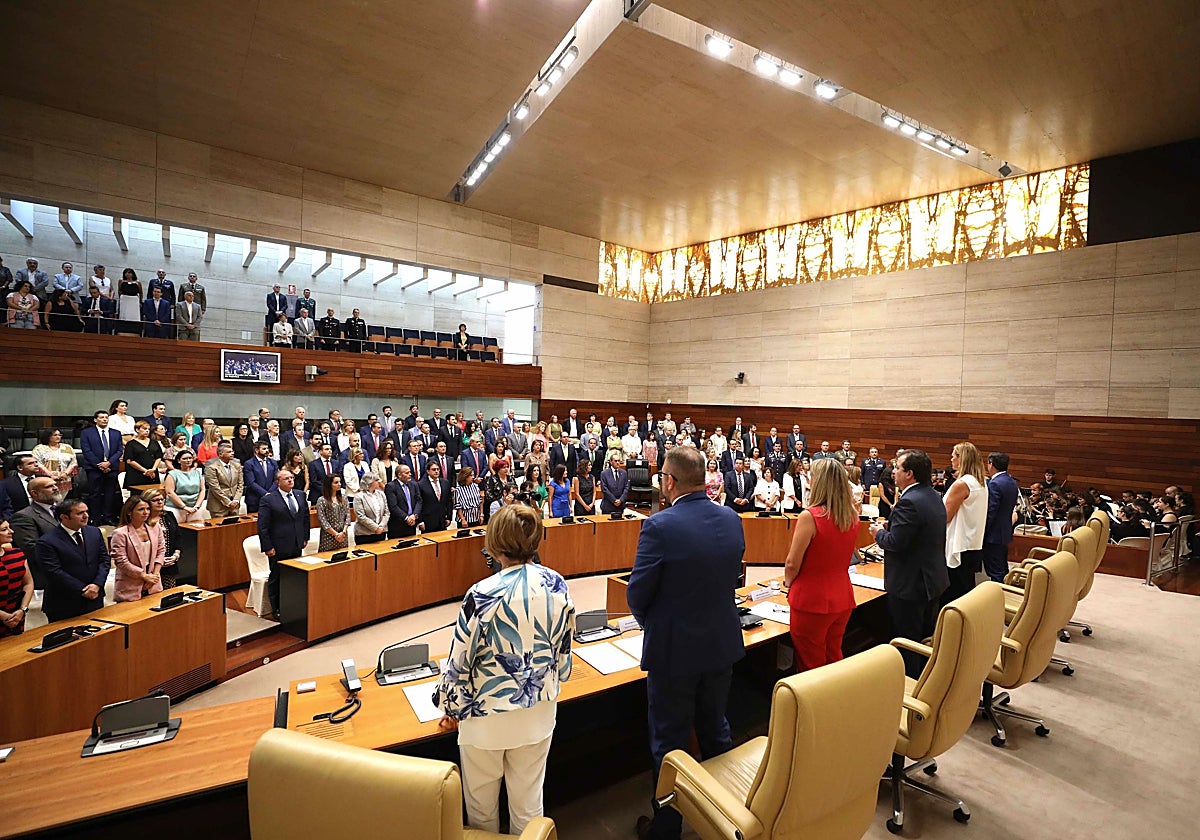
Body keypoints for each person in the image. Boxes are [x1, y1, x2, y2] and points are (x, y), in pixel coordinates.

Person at [433, 503, 574, 834]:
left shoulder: (481, 594)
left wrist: (449, 707)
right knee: (528, 805)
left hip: (486, 723)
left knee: (481, 811)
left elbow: (459, 665)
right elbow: (563, 656)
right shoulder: (557, 584)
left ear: (493, 544)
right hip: (538, 714)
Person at [626, 447, 744, 840]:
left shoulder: (659, 526)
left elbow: (637, 595)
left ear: (670, 481)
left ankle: (666, 829)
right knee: (716, 732)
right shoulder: (731, 519)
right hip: (721, 643)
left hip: (674, 652)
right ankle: (725, 818)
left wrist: (655, 625)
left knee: (669, 743)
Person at [869, 450, 949, 679]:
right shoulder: (933, 495)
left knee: (907, 642)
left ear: (910, 474)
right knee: (924, 639)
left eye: (897, 468)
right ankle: (925, 682)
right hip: (931, 580)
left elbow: (895, 543)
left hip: (911, 585)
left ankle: (910, 689)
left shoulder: (909, 502)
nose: (893, 472)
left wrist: (878, 533)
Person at [782, 459, 859, 672]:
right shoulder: (851, 515)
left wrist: (788, 583)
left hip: (811, 600)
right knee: (834, 655)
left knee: (810, 663)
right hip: (842, 596)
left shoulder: (811, 516)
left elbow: (791, 563)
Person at [37, 499, 110, 622]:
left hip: (95, 597)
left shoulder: (94, 532)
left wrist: (97, 584)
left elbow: (104, 560)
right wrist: (82, 589)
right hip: (65, 602)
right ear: (64, 517)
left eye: (86, 511)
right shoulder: (47, 541)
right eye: (80, 513)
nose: (86, 516)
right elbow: (54, 571)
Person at [257, 469, 310, 617]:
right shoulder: (268, 499)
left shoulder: (300, 495)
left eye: (292, 478)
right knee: (277, 577)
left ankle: (293, 604)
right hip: (278, 546)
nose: (290, 480)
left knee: (294, 576)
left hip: (296, 543)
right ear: (277, 482)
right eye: (286, 478)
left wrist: (305, 537)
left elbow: (305, 518)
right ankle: (277, 608)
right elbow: (263, 526)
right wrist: (267, 546)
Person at [942, 442, 988, 604]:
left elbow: (945, 517)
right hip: (973, 543)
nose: (951, 458)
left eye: (954, 455)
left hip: (958, 544)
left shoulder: (962, 484)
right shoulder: (980, 482)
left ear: (962, 458)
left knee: (954, 594)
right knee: (966, 590)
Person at [110, 497, 166, 602]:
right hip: (130, 584)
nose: (146, 512)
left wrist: (154, 575)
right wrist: (144, 576)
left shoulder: (155, 527)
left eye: (148, 509)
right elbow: (121, 561)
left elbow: (161, 551)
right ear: (129, 512)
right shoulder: (120, 533)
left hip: (153, 583)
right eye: (141, 509)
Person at [80, 410, 123, 526]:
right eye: (101, 417)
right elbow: (86, 451)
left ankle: (108, 517)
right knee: (95, 493)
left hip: (111, 467)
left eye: (106, 417)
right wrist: (100, 464)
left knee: (110, 494)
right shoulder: (87, 433)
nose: (104, 419)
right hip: (94, 468)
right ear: (95, 420)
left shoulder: (116, 433)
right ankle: (95, 517)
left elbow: (119, 450)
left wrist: (108, 463)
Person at [982, 452, 1019, 583]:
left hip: (993, 535)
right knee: (1002, 568)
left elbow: (991, 512)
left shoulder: (995, 484)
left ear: (991, 464)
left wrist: (982, 532)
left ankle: (998, 597)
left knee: (995, 571)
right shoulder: (1011, 481)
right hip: (1004, 531)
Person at [0, 519, 34, 636]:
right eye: (4, 530)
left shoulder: (17, 554)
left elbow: (28, 584)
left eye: (9, 528)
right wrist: (3, 616)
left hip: (16, 617)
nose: (11, 531)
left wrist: (22, 610)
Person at [142, 489, 181, 588]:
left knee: (169, 596)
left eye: (162, 499)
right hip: (149, 567)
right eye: (155, 500)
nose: (160, 502)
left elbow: (178, 537)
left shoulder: (169, 515)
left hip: (169, 564)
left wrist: (175, 555)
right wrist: (159, 560)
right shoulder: (142, 519)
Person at [164, 450, 207, 523]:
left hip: (194, 507)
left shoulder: (197, 473)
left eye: (190, 458)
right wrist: (184, 507)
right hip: (176, 507)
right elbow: (170, 492)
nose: (188, 460)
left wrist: (197, 506)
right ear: (178, 461)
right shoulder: (172, 474)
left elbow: (202, 490)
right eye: (185, 458)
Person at [33, 428, 78, 496]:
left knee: (60, 502)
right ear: (48, 436)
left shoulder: (67, 447)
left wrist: (65, 474)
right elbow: (38, 463)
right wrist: (50, 475)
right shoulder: (39, 449)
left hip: (64, 480)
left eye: (59, 435)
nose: (58, 437)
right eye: (55, 435)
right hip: (46, 479)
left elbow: (73, 463)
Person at [205, 444, 245, 517]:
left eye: (232, 451)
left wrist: (236, 500)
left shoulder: (237, 465)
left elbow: (240, 484)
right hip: (218, 506)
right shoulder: (212, 468)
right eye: (229, 452)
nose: (232, 453)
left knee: (235, 527)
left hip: (234, 505)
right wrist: (228, 502)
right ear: (220, 454)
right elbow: (215, 488)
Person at [123, 421, 163, 491]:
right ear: (137, 430)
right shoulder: (131, 444)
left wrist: (153, 469)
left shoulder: (154, 442)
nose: (147, 431)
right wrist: (145, 471)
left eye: (148, 429)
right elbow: (130, 461)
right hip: (137, 475)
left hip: (152, 474)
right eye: (144, 429)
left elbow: (158, 457)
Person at [386, 464, 423, 538]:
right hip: (398, 524)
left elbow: (419, 501)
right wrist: (406, 518)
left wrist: (414, 515)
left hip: (412, 523)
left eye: (410, 472)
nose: (410, 474)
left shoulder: (414, 484)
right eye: (407, 473)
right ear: (399, 475)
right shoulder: (391, 486)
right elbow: (393, 506)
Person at [316, 475, 351, 552]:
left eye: (340, 482)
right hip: (329, 536)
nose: (339, 484)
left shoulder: (344, 498)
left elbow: (348, 516)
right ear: (329, 484)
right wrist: (336, 534)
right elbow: (323, 521)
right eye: (336, 482)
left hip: (343, 535)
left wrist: (343, 532)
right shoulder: (322, 500)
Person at [418, 461, 454, 533]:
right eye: (434, 469)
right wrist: (420, 521)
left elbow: (449, 501)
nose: (436, 471)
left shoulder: (445, 482)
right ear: (428, 471)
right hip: (428, 521)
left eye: (438, 469)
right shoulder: (421, 485)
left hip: (442, 520)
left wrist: (449, 517)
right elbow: (419, 504)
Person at [353, 473, 390, 544]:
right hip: (364, 534)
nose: (379, 482)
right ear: (369, 482)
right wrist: (375, 528)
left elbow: (387, 512)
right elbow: (361, 516)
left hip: (381, 532)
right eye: (376, 480)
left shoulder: (381, 494)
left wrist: (381, 526)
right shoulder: (359, 497)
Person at [245, 440, 279, 513]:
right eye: (264, 449)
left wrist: (270, 493)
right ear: (256, 450)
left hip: (271, 498)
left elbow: (277, 480)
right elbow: (251, 483)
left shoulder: (273, 462)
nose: (267, 451)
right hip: (255, 499)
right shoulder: (249, 463)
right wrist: (265, 493)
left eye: (267, 448)